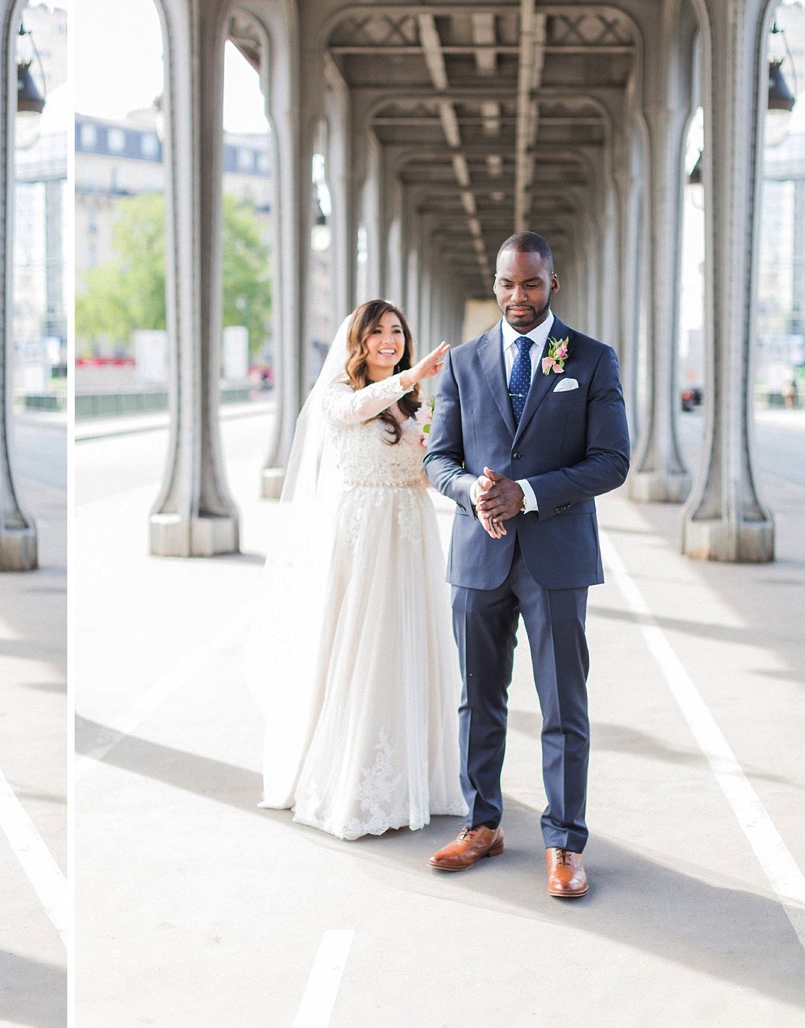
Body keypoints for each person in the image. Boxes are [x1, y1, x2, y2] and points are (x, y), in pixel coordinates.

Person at [423, 231, 630, 899]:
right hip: (478, 554)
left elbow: (612, 461)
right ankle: (482, 824)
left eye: (531, 284)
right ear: (495, 282)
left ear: (552, 285)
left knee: (563, 703)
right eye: (508, 284)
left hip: (557, 557)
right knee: (478, 697)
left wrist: (530, 494)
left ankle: (565, 843)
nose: (518, 296)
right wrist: (469, 490)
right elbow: (438, 458)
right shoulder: (462, 363)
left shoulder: (591, 361)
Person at [251, 299, 464, 839]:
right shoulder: (338, 396)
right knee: (361, 645)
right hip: (363, 536)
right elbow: (354, 411)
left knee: (405, 644)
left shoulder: (413, 407)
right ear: (359, 342)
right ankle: (353, 774)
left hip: (409, 535)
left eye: (397, 331)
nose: (389, 340)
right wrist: (411, 377)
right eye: (378, 333)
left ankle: (414, 772)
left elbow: (425, 470)